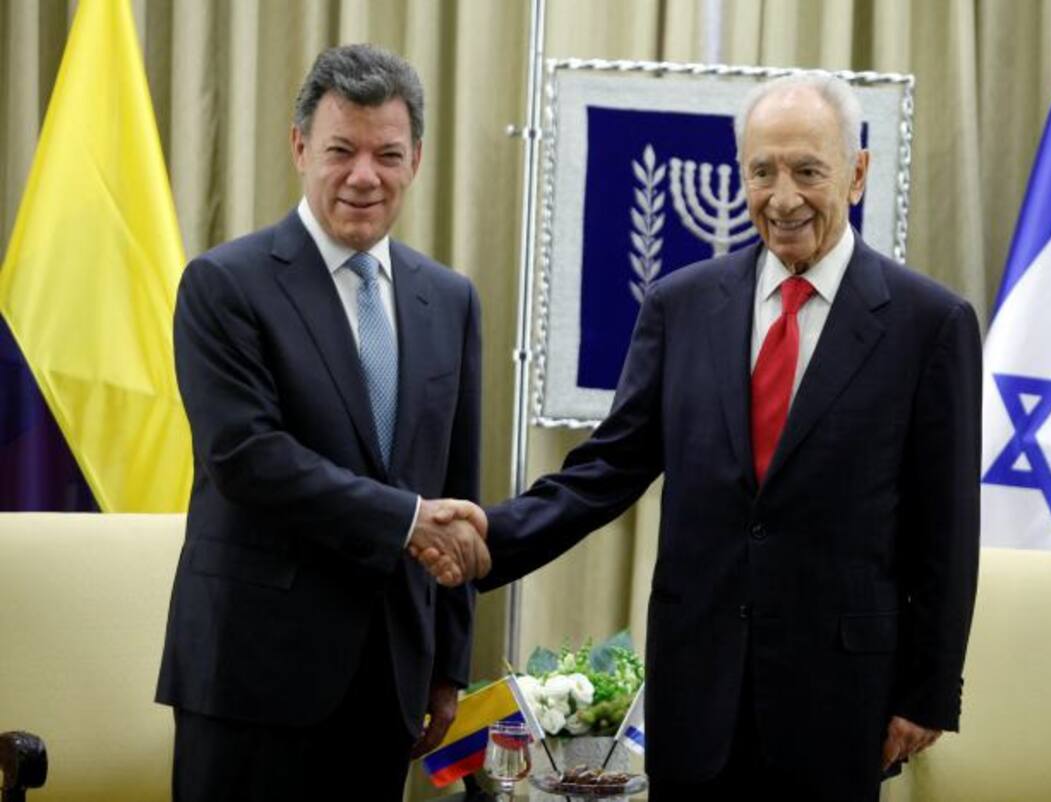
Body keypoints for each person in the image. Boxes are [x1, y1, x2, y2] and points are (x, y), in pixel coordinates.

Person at [437, 72, 981, 801]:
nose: (782, 198)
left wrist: (928, 690)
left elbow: (946, 530)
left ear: (857, 174)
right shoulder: (680, 306)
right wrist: (486, 539)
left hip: (838, 701)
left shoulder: (929, 325)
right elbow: (607, 470)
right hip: (697, 694)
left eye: (808, 171)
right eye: (762, 171)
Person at [156, 44, 490, 801]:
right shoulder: (224, 285)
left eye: (388, 154)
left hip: (390, 680)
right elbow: (245, 456)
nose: (364, 176)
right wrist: (406, 521)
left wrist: (447, 665)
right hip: (251, 676)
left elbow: (456, 486)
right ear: (300, 147)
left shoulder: (450, 299)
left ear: (416, 160)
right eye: (341, 150)